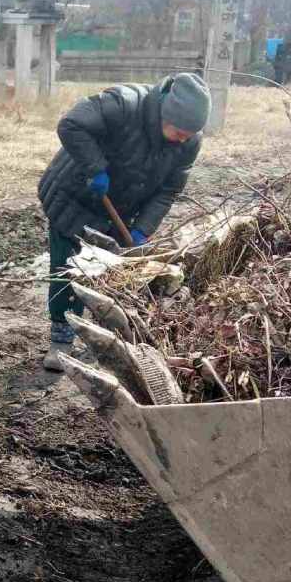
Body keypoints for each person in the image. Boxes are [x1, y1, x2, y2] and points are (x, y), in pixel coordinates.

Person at [38, 72, 210, 371]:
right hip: (74, 196)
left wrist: (143, 228)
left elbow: (168, 189)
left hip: (121, 207)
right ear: (164, 114)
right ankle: (61, 340)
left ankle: (111, 338)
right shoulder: (124, 104)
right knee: (69, 265)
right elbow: (71, 124)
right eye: (180, 131)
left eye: (190, 134)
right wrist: (95, 168)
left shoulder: (189, 141)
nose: (184, 139)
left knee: (113, 273)